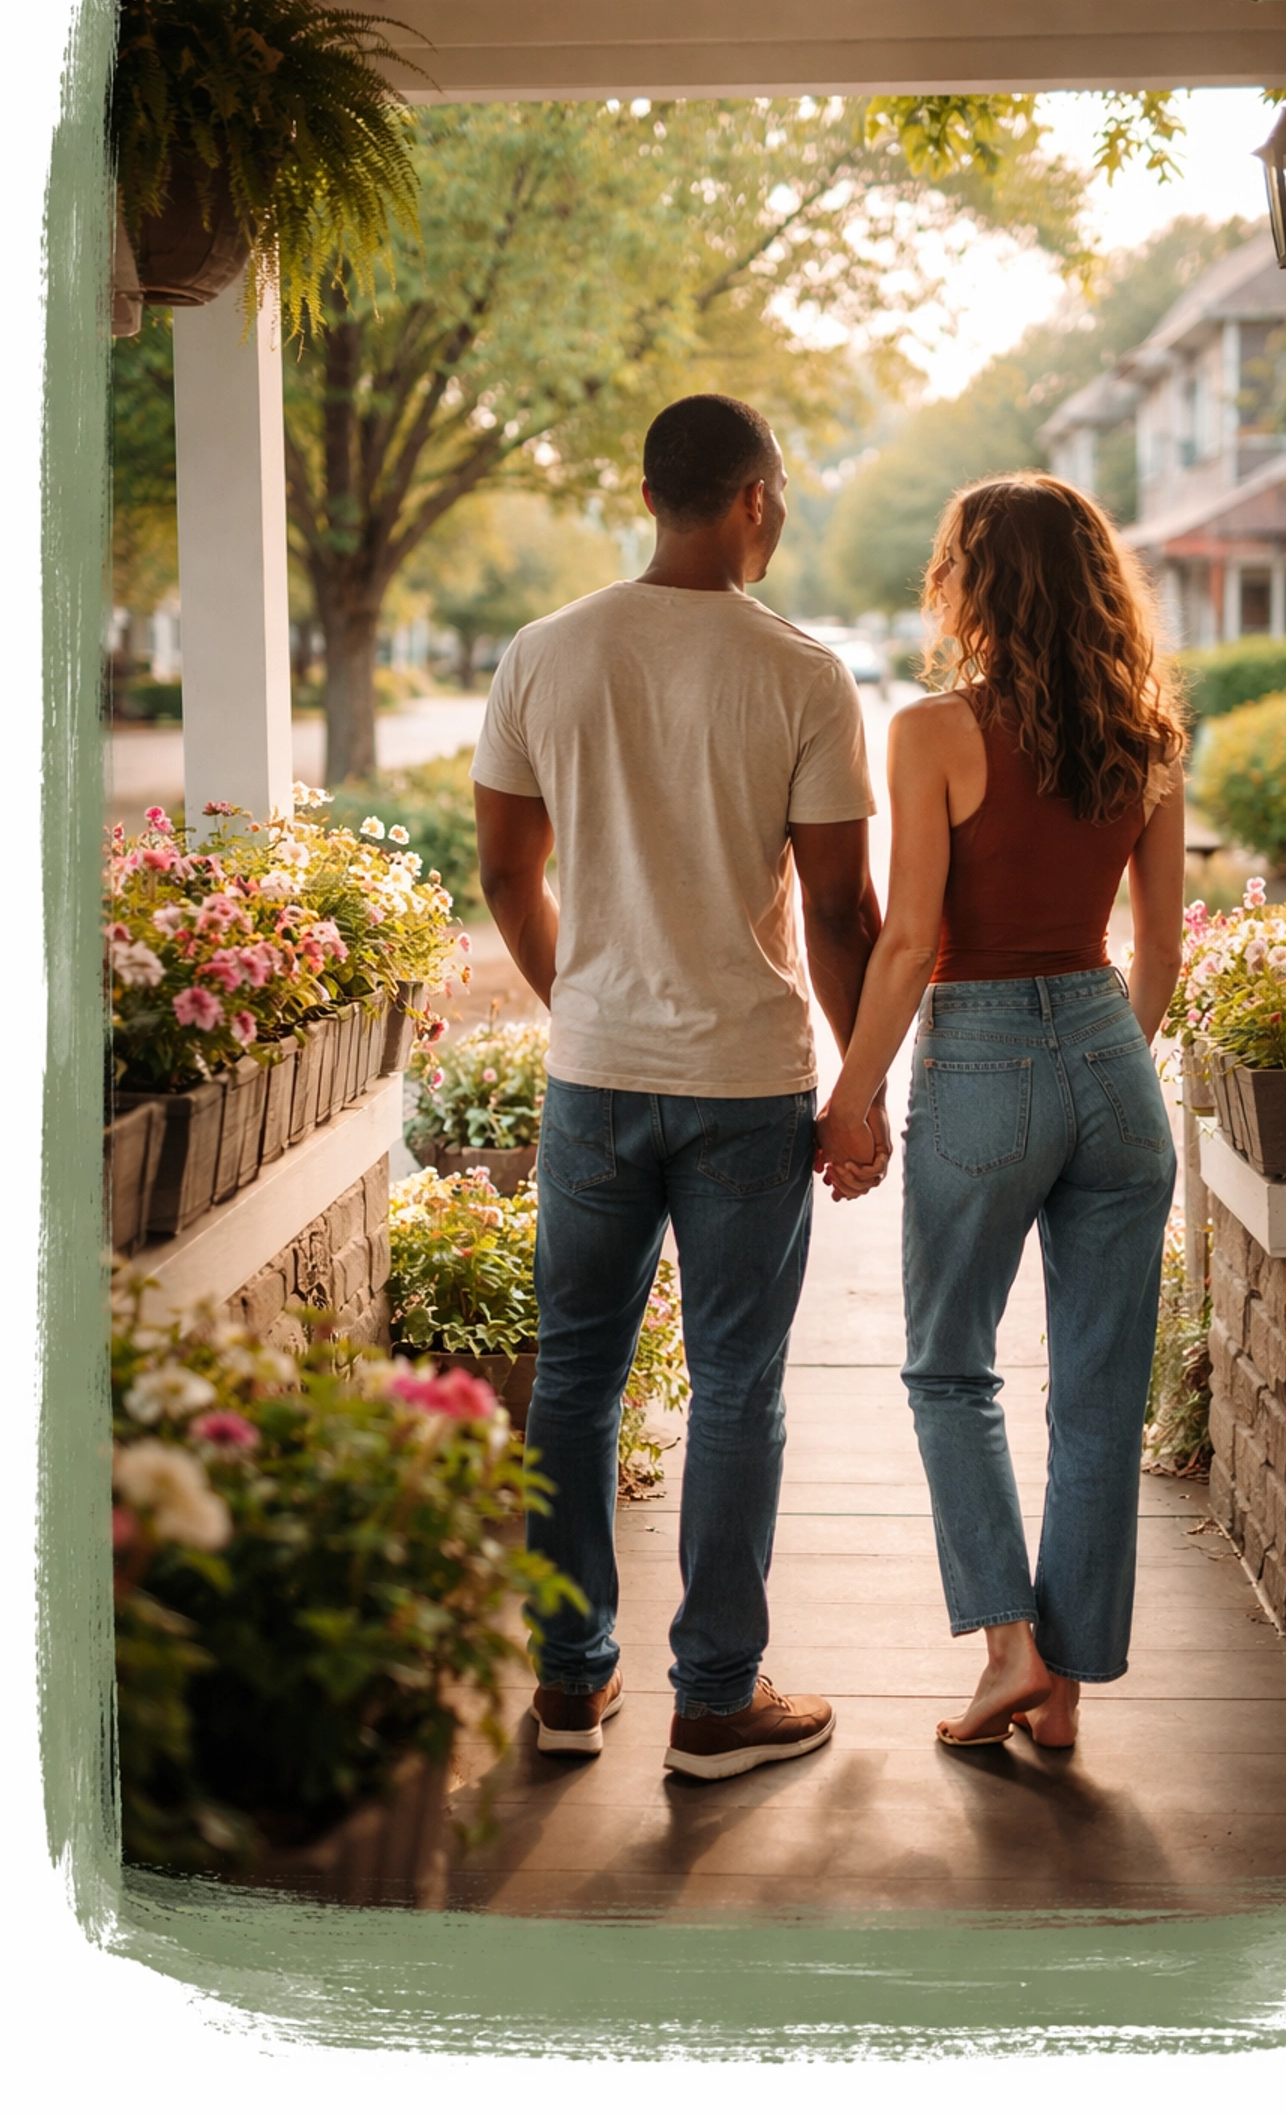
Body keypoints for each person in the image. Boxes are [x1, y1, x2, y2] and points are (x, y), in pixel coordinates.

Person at [471, 393, 888, 1782]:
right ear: (755, 498)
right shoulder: (801, 674)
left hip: (594, 1080)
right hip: (743, 1089)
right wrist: (864, 1084)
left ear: (654, 493)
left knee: (574, 1387)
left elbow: (503, 874)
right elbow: (842, 912)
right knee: (736, 1390)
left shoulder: (544, 655)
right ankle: (714, 1703)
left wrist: (580, 1004)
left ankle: (569, 1691)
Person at [815, 472, 1185, 1752]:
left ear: (974, 583)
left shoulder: (932, 732)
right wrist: (1101, 1071)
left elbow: (911, 938)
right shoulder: (1149, 730)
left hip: (978, 1058)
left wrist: (848, 1096)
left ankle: (1010, 1651)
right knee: (1096, 1396)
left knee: (949, 1368)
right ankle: (1067, 1693)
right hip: (1110, 1056)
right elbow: (1161, 952)